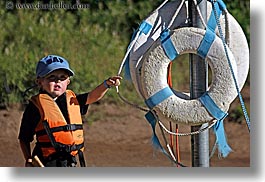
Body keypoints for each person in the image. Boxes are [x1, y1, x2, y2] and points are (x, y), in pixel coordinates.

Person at [18, 55, 122, 167]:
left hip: (69, 162)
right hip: (46, 162)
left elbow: (92, 96)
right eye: (51, 77)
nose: (58, 81)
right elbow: (24, 138)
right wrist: (28, 159)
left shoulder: (72, 100)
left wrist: (106, 85)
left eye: (62, 77)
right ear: (39, 82)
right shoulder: (35, 107)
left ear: (68, 81)